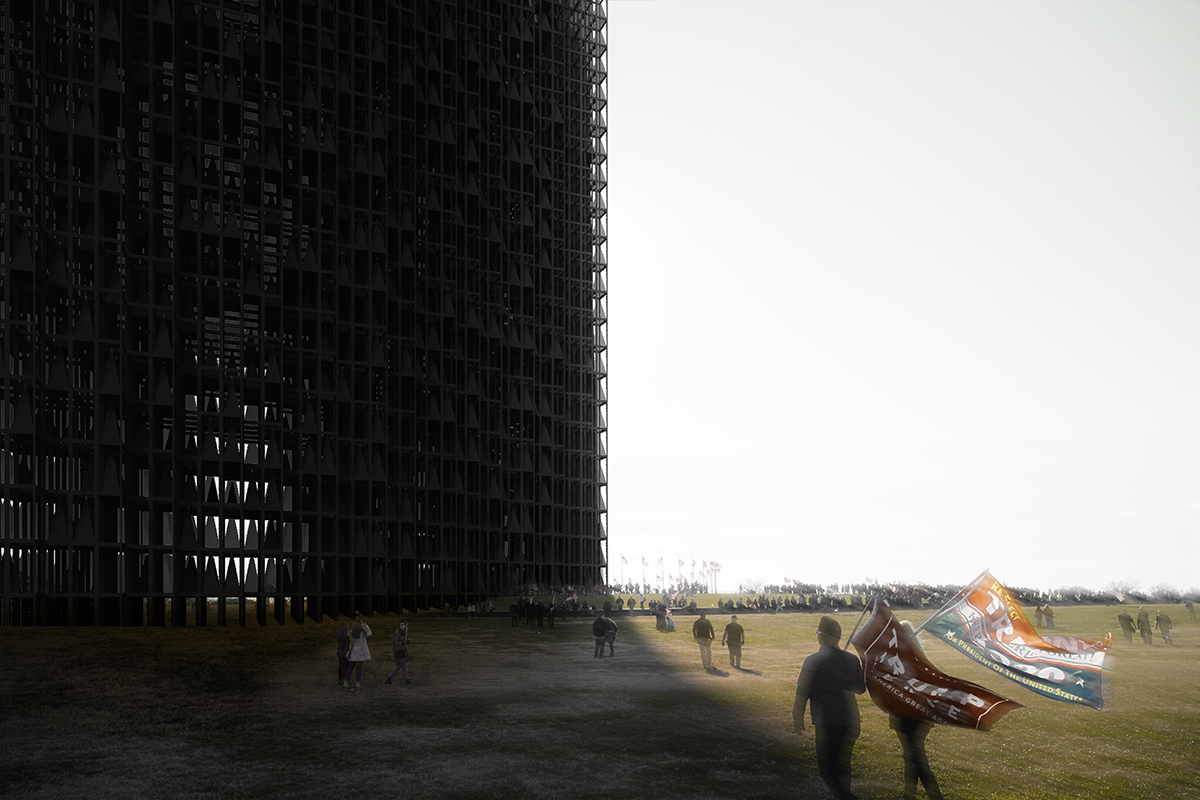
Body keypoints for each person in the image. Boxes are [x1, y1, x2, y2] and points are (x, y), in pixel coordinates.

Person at [793, 615, 865, 800]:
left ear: (822, 636)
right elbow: (860, 689)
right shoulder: (851, 659)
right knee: (842, 765)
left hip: (827, 721)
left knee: (827, 770)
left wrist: (797, 717)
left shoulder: (813, 660)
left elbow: (802, 691)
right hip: (850, 721)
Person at [889, 621, 944, 800]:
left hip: (908, 714)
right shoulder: (917, 657)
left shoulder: (904, 660)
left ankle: (934, 795)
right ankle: (909, 793)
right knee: (911, 753)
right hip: (920, 715)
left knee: (915, 755)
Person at [344, 619, 373, 688]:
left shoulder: (351, 632)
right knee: (359, 668)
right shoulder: (362, 633)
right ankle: (357, 682)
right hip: (361, 652)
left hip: (354, 651)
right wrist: (365, 625)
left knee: (350, 668)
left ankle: (346, 681)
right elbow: (370, 633)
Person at [385, 620, 411, 685]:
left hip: (401, 650)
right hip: (400, 651)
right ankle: (406, 679)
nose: (402, 626)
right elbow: (395, 642)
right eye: (401, 625)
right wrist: (402, 643)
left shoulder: (403, 633)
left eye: (403, 625)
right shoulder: (398, 633)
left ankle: (389, 678)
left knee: (398, 666)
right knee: (404, 665)